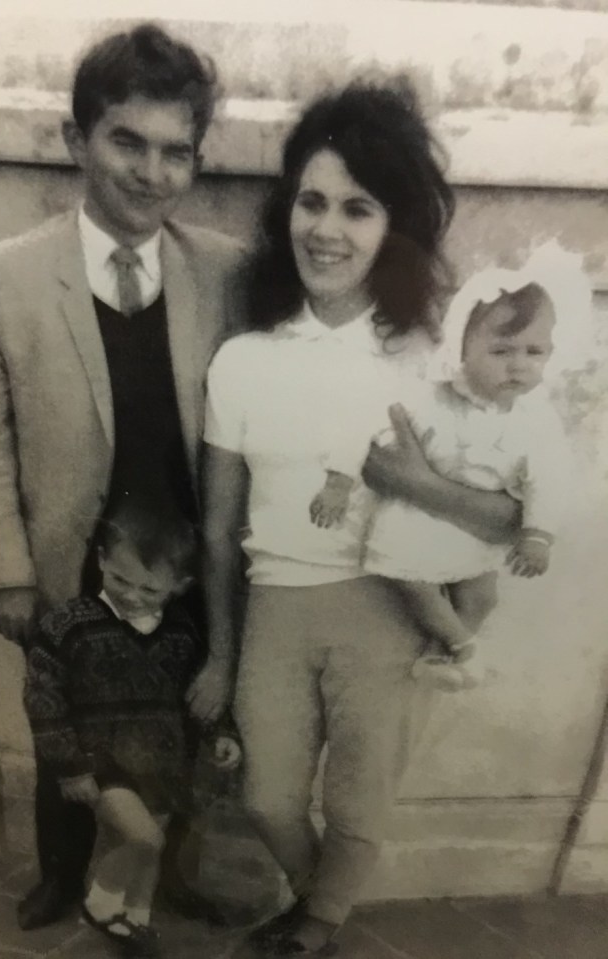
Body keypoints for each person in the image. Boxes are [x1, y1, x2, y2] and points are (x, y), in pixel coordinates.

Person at [202, 78, 522, 958]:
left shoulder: (431, 366)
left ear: (394, 227)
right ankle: (321, 903)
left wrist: (415, 484)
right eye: (310, 202)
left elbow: (509, 514)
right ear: (285, 213)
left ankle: (316, 927)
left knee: (357, 798)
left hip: (381, 610)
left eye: (357, 207)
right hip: (272, 607)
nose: (326, 229)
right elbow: (217, 532)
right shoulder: (241, 360)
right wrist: (223, 653)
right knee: (266, 797)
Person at [0, 23, 248, 931]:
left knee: (178, 732)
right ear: (77, 141)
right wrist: (6, 568)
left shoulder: (224, 273)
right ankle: (62, 871)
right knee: (66, 728)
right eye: (127, 142)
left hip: (183, 562)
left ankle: (174, 870)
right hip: (72, 558)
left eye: (175, 152)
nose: (151, 173)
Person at [310, 249, 583, 691]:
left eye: (534, 352)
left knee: (483, 595)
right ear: (463, 348)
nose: (518, 364)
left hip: (475, 528)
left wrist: (538, 534)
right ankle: (463, 644)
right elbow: (364, 426)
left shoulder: (537, 419)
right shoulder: (431, 398)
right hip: (418, 522)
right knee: (414, 580)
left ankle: (439, 657)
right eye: (501, 350)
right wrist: (338, 481)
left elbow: (551, 478)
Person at [23, 500, 240, 957]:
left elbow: (197, 697)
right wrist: (71, 767)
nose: (132, 595)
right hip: (101, 761)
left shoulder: (182, 636)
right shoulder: (67, 627)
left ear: (179, 587)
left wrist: (222, 733)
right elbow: (43, 702)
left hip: (161, 765)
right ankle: (101, 904)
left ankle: (131, 923)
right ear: (101, 560)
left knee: (151, 852)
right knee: (145, 838)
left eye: (150, 589)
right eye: (120, 579)